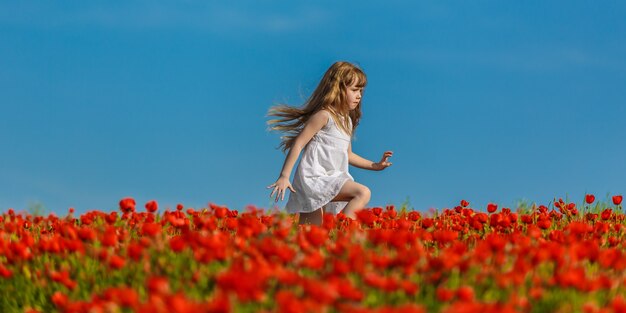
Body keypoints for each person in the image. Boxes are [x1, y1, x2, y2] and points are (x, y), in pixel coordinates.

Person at [266, 61, 393, 226]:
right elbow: (298, 144)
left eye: (361, 91)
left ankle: (332, 239)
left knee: (311, 232)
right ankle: (344, 232)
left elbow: (348, 155)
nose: (359, 95)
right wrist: (284, 176)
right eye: (354, 90)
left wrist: (375, 165)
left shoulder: (346, 121)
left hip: (333, 177)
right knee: (363, 192)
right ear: (338, 89)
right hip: (314, 178)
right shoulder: (324, 116)